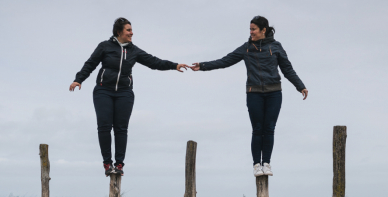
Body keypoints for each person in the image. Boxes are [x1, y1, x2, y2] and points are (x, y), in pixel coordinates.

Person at [70, 17, 189, 176]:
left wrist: (174, 65)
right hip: (103, 90)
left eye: (131, 30)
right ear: (119, 32)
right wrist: (78, 79)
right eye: (128, 30)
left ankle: (119, 165)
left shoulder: (134, 51)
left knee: (121, 128)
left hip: (124, 93)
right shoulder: (105, 46)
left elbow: (154, 62)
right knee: (104, 126)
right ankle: (107, 163)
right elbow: (90, 64)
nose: (132, 33)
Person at [191, 16, 308, 177]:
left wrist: (300, 86)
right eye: (250, 29)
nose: (251, 32)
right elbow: (225, 61)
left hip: (274, 93)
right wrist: (203, 66)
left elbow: (287, 69)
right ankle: (256, 165)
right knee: (257, 129)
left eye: (253, 29)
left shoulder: (276, 47)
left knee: (269, 129)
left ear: (263, 30)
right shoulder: (246, 48)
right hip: (254, 93)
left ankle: (266, 163)